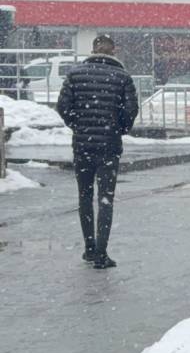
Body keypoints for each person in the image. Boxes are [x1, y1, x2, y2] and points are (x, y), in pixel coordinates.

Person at [55, 34, 139, 269]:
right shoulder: (122, 77)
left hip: (83, 145)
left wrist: (78, 125)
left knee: (84, 196)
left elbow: (62, 106)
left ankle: (89, 247)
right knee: (106, 199)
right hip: (109, 146)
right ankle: (102, 252)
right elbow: (131, 110)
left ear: (93, 50)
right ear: (113, 51)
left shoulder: (75, 74)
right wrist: (118, 128)